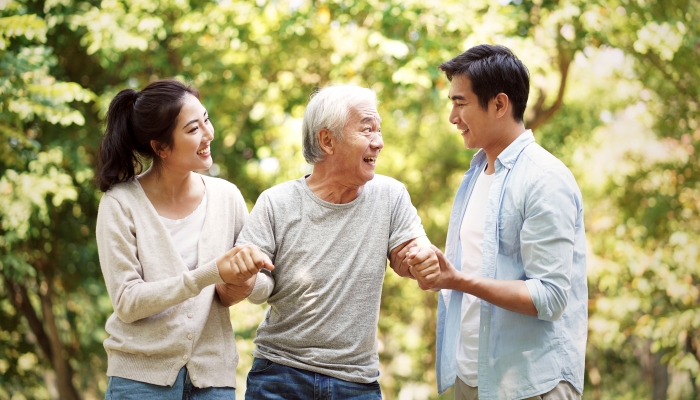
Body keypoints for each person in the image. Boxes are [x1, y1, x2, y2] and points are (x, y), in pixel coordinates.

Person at [235, 85, 440, 399]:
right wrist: (248, 278)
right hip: (280, 374)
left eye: (379, 130)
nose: (379, 142)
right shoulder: (276, 203)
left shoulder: (390, 195)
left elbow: (407, 255)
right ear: (327, 140)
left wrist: (420, 259)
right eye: (367, 129)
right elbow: (260, 287)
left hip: (356, 383)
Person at [418, 45, 588, 399]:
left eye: (460, 103)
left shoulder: (545, 178)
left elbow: (551, 295)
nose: (452, 116)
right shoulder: (476, 173)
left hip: (530, 384)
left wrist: (458, 280)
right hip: (472, 378)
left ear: (499, 104)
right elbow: (471, 268)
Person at [95, 79, 273, 399]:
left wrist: (245, 282)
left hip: (213, 379)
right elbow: (127, 302)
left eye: (206, 119)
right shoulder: (120, 204)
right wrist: (209, 274)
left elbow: (262, 286)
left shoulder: (226, 197)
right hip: (139, 381)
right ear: (160, 147)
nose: (209, 133)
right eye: (193, 129)